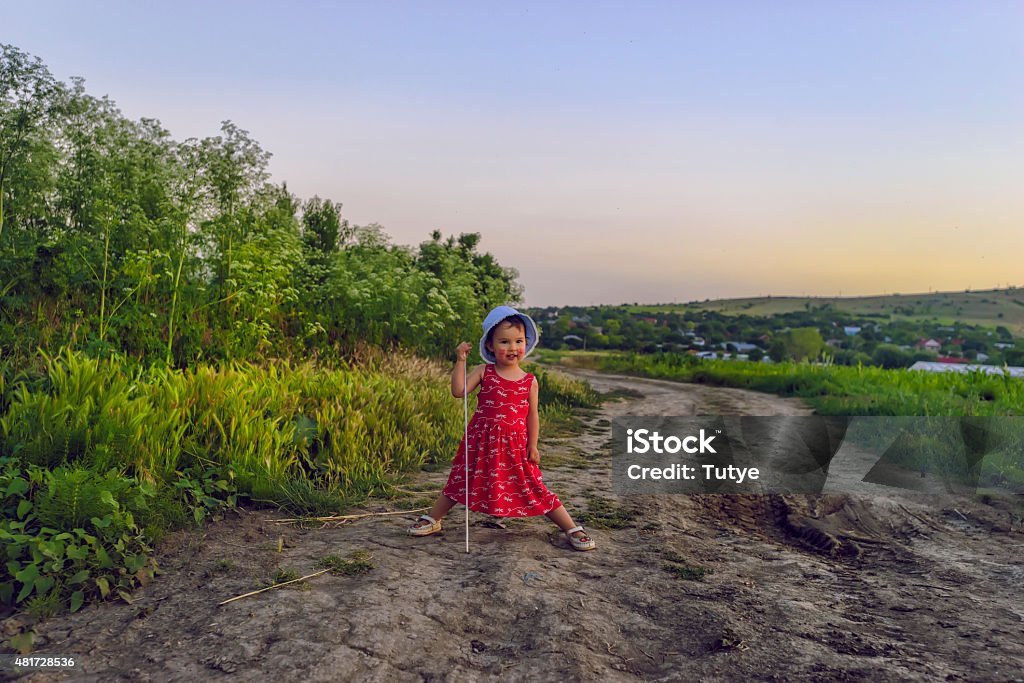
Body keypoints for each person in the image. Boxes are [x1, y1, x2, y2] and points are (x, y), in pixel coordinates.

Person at [407, 305, 596, 551]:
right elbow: (458, 392)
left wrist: (533, 445)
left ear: (526, 344)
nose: (513, 348)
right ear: (490, 346)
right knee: (462, 480)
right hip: (481, 442)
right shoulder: (484, 371)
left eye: (518, 341)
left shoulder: (530, 380)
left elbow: (533, 416)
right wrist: (460, 361)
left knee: (532, 486)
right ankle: (433, 519)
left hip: (515, 445)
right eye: (504, 342)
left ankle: (571, 527)